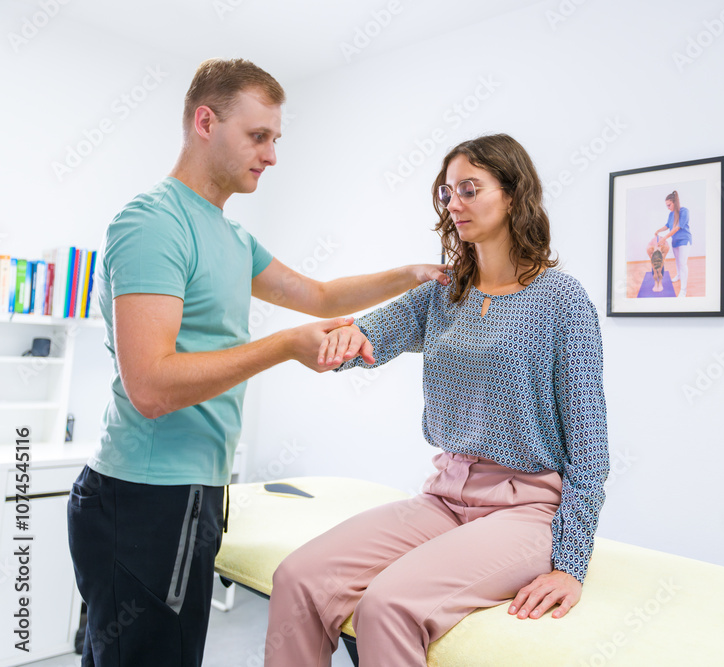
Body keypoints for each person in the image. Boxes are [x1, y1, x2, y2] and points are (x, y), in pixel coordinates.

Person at [66, 58, 446, 667]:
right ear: (205, 121)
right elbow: (152, 387)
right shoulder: (153, 224)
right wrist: (285, 347)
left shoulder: (232, 237)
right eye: (258, 136)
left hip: (195, 492)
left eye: (275, 139)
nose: (271, 155)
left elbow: (319, 296)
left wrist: (413, 275)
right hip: (143, 497)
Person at [264, 134, 610, 666]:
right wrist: (334, 343)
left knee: (389, 606)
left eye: (470, 188)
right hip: (444, 497)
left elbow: (589, 449)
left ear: (514, 195)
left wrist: (569, 564)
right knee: (299, 577)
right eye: (447, 192)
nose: (454, 204)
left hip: (526, 511)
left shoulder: (562, 301)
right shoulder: (443, 292)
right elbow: (364, 339)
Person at [645, 191, 691, 296]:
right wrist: (659, 230)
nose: (668, 207)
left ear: (675, 202)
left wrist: (664, 237)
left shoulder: (684, 211)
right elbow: (667, 225)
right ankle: (679, 276)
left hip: (684, 240)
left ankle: (683, 290)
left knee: (683, 263)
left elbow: (677, 227)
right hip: (675, 241)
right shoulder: (671, 214)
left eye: (669, 205)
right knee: (678, 262)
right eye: (666, 206)